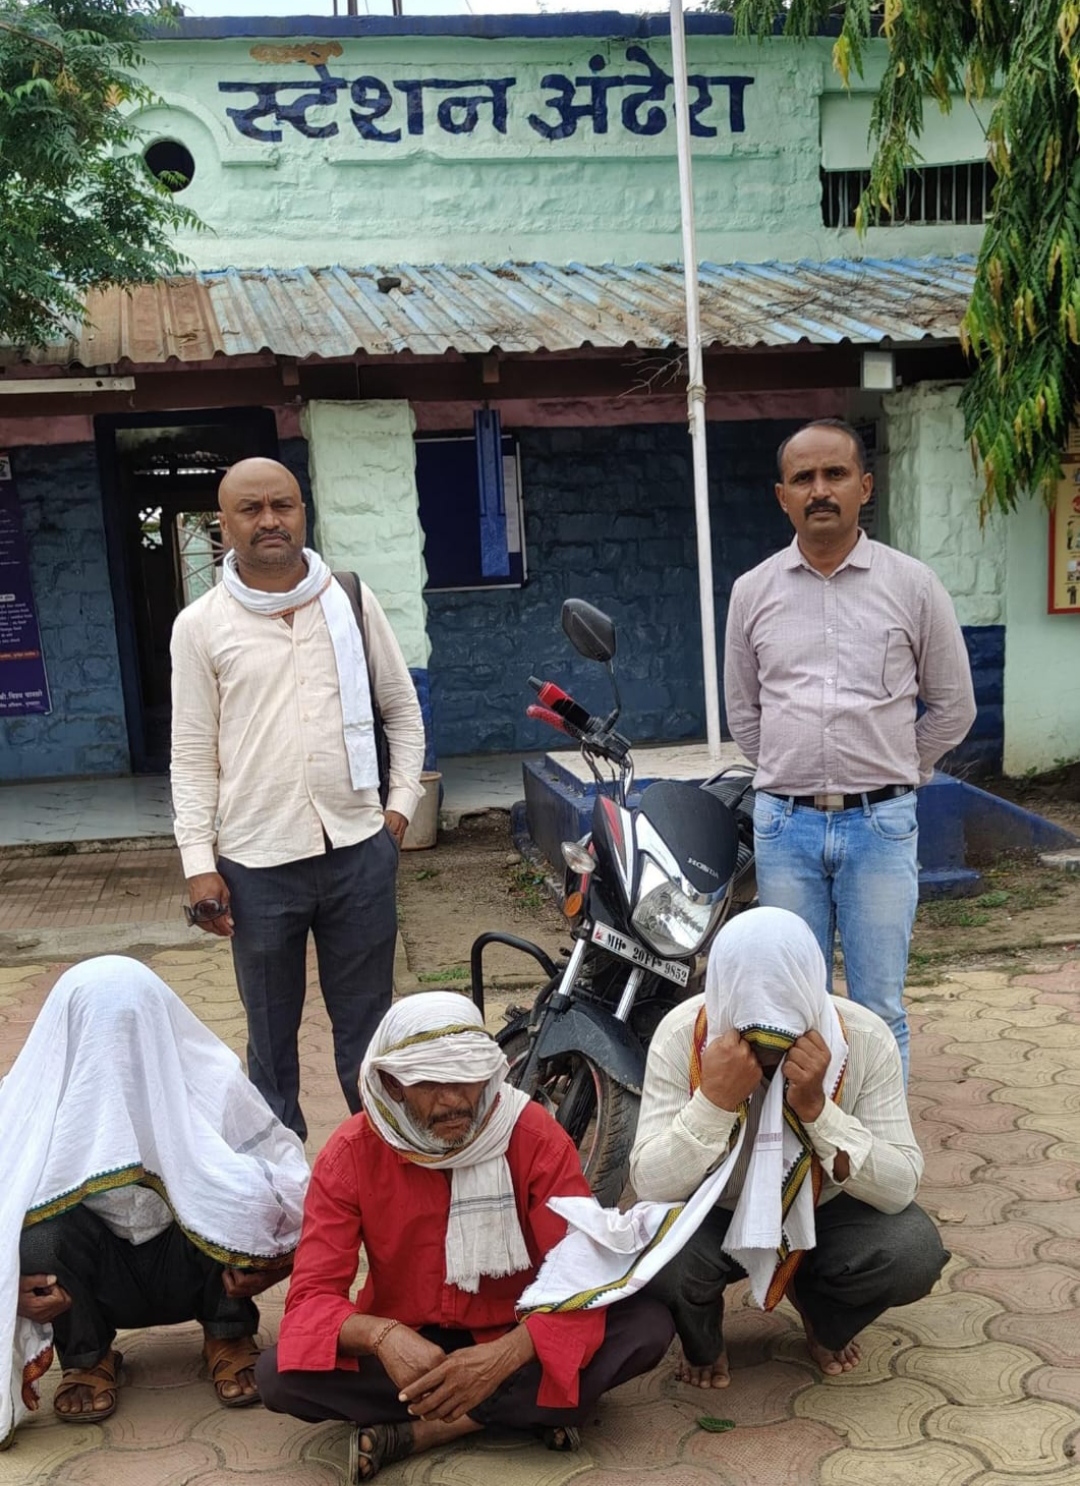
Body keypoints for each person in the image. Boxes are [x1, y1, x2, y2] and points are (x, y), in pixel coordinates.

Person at [518, 909, 947, 1390]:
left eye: (783, 1035)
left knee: (912, 1251)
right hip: (714, 1211)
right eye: (752, 1034)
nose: (767, 1053)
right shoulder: (681, 1035)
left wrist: (817, 1112)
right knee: (659, 1259)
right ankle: (703, 1338)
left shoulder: (864, 1038)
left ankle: (823, 1313)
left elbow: (901, 1186)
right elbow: (651, 1183)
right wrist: (714, 1102)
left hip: (822, 1208)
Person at [255, 992, 674, 1481]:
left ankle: (431, 1429)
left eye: (466, 1079)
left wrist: (503, 1357)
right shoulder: (350, 1152)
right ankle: (530, 1409)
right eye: (430, 1083)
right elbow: (311, 1299)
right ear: (392, 1085)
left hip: (518, 1334)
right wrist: (382, 1337)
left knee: (646, 1326)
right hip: (410, 1345)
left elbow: (581, 1275)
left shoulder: (532, 1136)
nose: (453, 1100)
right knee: (279, 1374)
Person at [170, 456, 426, 1140]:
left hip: (357, 852)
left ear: (302, 512)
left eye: (281, 505)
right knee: (270, 1039)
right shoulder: (200, 626)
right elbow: (192, 753)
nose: (269, 520)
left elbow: (402, 710)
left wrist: (399, 805)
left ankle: (380, 1160)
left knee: (370, 1033)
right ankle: (279, 1179)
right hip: (256, 864)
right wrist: (198, 862)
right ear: (223, 526)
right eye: (250, 509)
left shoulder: (350, 600)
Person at [723, 419, 976, 1078]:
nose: (820, 490)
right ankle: (802, 1131)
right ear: (782, 496)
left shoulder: (914, 586)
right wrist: (791, 771)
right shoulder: (752, 592)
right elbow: (743, 714)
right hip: (785, 829)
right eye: (803, 478)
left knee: (878, 1007)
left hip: (880, 826)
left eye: (834, 474)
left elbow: (954, 706)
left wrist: (899, 769)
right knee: (791, 1007)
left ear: (865, 486)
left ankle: (877, 1136)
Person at [2, 957, 309, 1444]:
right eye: (98, 1037)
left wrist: (275, 1260)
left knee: (237, 1189)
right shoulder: (30, 1100)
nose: (116, 1052)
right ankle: (87, 1356)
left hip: (197, 1268)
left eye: (132, 1033)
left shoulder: (213, 1080)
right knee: (34, 1232)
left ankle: (228, 1333)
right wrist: (10, 1290)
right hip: (91, 1285)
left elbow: (287, 1179)